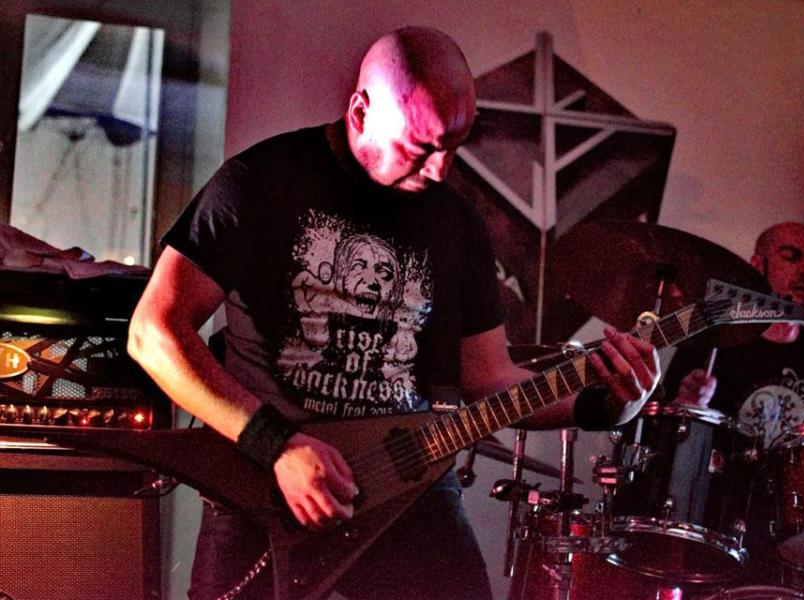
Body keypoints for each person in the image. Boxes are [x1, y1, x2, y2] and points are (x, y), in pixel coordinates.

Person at [128, 26, 660, 600]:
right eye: (420, 147)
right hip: (265, 483)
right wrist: (278, 445)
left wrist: (604, 405)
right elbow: (153, 332)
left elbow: (489, 378)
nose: (440, 170)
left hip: (408, 484)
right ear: (361, 112)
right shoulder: (258, 182)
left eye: (455, 146)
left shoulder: (456, 223)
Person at [661, 221, 804, 587]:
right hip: (723, 529)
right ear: (757, 265)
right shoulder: (713, 346)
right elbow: (661, 438)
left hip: (802, 534)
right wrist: (686, 404)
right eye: (791, 257)